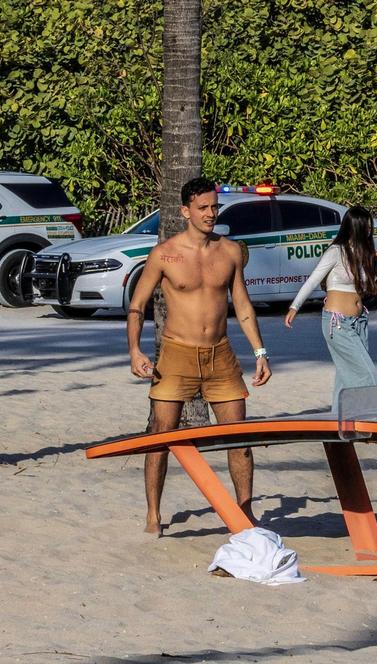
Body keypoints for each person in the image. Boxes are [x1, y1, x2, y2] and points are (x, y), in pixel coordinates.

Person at [127, 177, 272, 535]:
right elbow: (137, 306)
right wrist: (134, 350)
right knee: (160, 435)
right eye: (203, 208)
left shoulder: (230, 251)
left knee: (239, 437)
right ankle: (153, 515)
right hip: (176, 354)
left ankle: (245, 514)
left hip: (220, 355)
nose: (210, 214)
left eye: (214, 207)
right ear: (185, 211)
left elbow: (242, 305)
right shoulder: (164, 254)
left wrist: (260, 352)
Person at [284, 205, 377, 413]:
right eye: (365, 228)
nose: (369, 232)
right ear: (354, 228)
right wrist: (295, 306)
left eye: (370, 228)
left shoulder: (363, 253)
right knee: (366, 374)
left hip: (359, 322)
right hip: (338, 323)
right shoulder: (336, 251)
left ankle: (338, 419)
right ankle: (375, 416)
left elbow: (365, 286)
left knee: (345, 375)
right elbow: (313, 280)